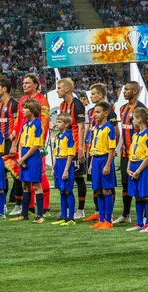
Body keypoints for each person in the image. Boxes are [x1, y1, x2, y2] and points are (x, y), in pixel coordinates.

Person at [10, 74, 51, 217]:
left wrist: (40, 143)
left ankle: (45, 207)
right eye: (23, 83)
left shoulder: (42, 100)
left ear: (36, 84)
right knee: (25, 177)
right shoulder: (21, 100)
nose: (24, 85)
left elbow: (45, 122)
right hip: (23, 142)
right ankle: (29, 207)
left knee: (40, 175)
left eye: (27, 83)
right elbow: (18, 121)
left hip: (35, 144)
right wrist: (14, 135)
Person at [83, 83, 119, 223]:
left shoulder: (110, 113)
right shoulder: (93, 114)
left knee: (107, 188)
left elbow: (116, 133)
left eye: (93, 94)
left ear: (100, 95)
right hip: (95, 155)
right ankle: (99, 214)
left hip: (105, 156)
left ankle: (108, 217)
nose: (91, 96)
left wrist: (110, 153)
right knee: (97, 187)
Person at [115, 81, 147, 225]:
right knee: (125, 184)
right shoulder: (122, 108)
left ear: (135, 91)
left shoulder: (141, 108)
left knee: (140, 184)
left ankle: (144, 217)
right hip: (125, 153)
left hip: (138, 155)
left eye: (127, 89)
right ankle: (126, 214)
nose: (124, 92)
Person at [10, 99, 45, 223]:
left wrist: (23, 159)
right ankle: (24, 214)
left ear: (32, 110)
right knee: (25, 184)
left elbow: (36, 145)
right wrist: (20, 157)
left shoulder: (38, 124)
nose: (22, 110)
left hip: (32, 156)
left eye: (25, 108)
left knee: (36, 185)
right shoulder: (25, 125)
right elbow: (20, 142)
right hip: (23, 155)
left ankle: (40, 215)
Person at [57, 78, 87, 218]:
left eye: (59, 88)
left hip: (75, 146)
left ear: (67, 89)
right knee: (67, 178)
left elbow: (81, 127)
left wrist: (80, 148)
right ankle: (67, 208)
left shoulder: (77, 104)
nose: (57, 90)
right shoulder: (62, 105)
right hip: (65, 147)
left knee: (78, 177)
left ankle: (80, 210)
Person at [126, 107, 148, 233]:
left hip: (142, 168)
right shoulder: (136, 135)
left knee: (146, 196)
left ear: (139, 119)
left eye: (133, 118)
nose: (132, 121)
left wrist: (138, 170)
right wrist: (128, 168)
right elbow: (131, 153)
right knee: (137, 196)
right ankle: (139, 222)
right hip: (133, 166)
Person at [88, 102, 117, 230]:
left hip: (105, 159)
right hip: (95, 160)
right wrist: (90, 164)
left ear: (106, 113)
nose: (95, 114)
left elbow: (111, 148)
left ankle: (108, 220)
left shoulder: (109, 128)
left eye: (98, 112)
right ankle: (101, 219)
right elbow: (94, 147)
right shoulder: (96, 128)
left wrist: (108, 164)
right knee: (98, 189)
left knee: (106, 190)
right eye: (95, 112)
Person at [0, 78, 18, 209]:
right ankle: (3, 204)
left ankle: (18, 203)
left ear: (4, 89)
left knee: (14, 172)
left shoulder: (13, 104)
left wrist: (14, 144)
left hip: (10, 142)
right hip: (0, 143)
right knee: (2, 173)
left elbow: (16, 125)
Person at [51, 113, 77, 226]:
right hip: (58, 163)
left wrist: (66, 170)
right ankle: (63, 216)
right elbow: (56, 153)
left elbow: (70, 155)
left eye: (59, 122)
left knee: (68, 190)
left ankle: (71, 217)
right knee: (61, 191)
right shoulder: (57, 137)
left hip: (66, 164)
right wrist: (53, 167)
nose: (57, 124)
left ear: (66, 124)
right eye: (56, 121)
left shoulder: (68, 136)